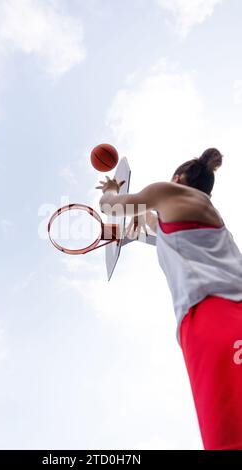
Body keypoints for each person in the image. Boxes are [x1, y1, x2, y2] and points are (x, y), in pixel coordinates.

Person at [96, 148, 242, 450]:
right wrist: (135, 228)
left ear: (177, 178)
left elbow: (111, 207)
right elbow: (151, 223)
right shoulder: (198, 213)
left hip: (213, 316)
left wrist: (112, 189)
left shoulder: (167, 192)